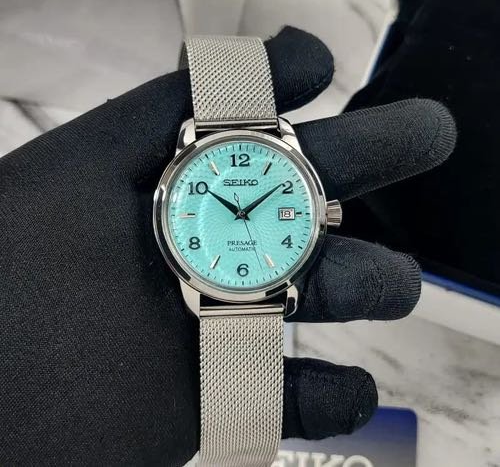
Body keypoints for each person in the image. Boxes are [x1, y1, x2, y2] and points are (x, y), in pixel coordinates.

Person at [0, 27, 455, 466]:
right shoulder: (186, 193)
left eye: (247, 209)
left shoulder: (282, 180)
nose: (241, 214)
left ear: (323, 212)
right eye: (235, 208)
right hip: (217, 276)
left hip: (252, 275)